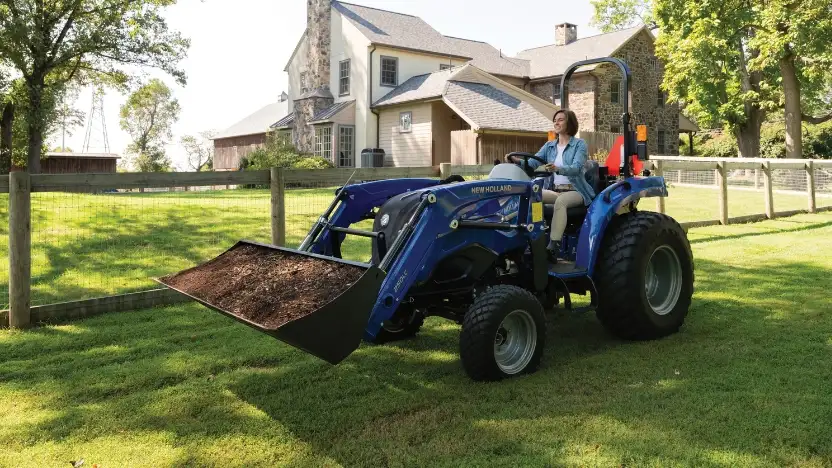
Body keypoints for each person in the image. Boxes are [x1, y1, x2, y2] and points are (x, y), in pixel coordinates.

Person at [505, 109, 596, 261]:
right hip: (556, 191)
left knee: (561, 202)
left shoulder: (579, 144)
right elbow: (533, 163)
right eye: (555, 120)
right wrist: (517, 161)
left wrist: (558, 169)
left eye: (560, 119)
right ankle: (524, 237)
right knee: (529, 195)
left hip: (577, 191)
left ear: (570, 123)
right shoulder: (549, 146)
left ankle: (553, 245)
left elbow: (577, 168)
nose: (556, 122)